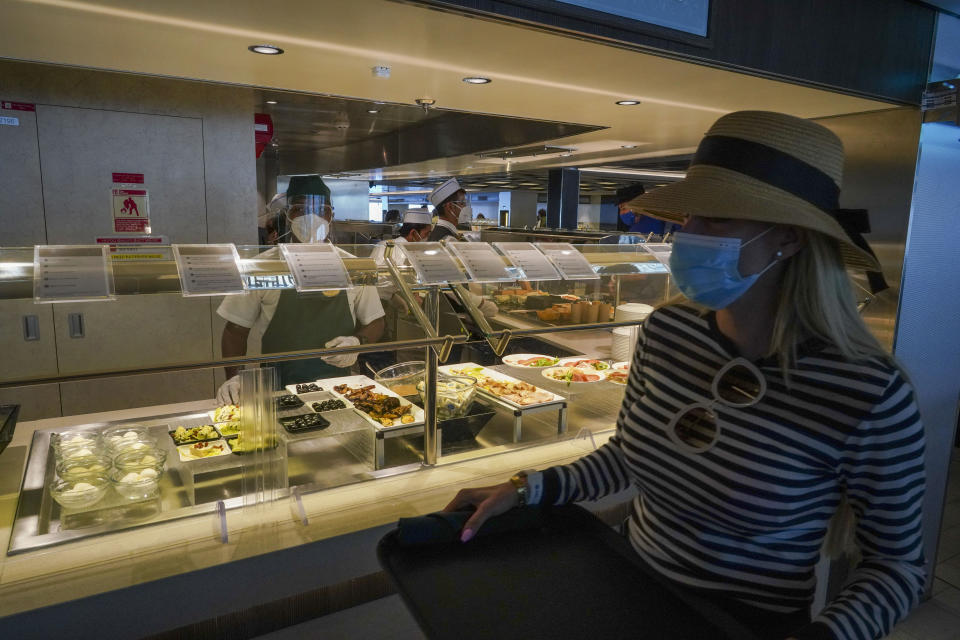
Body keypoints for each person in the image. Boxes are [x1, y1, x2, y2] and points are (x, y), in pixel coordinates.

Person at [444, 112, 924, 640]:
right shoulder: (668, 330)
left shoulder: (867, 391)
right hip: (631, 586)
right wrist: (523, 488)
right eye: (688, 216)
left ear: (788, 239)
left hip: (746, 623)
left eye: (714, 219)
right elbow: (628, 456)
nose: (686, 235)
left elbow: (896, 567)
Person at [217, 175, 385, 401]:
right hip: (276, 390)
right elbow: (235, 331)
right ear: (288, 215)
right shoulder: (264, 266)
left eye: (320, 210)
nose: (311, 217)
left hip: (338, 390)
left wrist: (357, 343)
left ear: (330, 216)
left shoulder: (352, 266)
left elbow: (375, 321)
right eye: (300, 210)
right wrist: (235, 377)